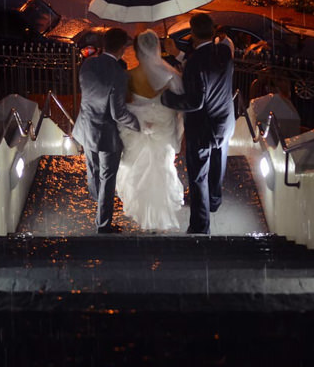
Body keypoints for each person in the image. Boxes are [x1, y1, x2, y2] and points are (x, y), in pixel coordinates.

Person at [161, 12, 236, 235]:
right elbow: (207, 68)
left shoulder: (195, 64)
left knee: (198, 176)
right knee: (218, 163)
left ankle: (200, 227)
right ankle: (214, 200)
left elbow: (194, 102)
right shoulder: (224, 51)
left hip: (203, 128)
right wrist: (180, 55)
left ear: (192, 34)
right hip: (225, 122)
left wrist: (167, 98)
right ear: (212, 31)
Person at [116, 30, 185, 232]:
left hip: (137, 130)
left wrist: (143, 114)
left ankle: (142, 213)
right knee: (162, 167)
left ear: (137, 51)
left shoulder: (129, 76)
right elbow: (178, 106)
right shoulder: (170, 75)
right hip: (163, 130)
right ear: (156, 48)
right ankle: (159, 216)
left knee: (137, 170)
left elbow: (125, 104)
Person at [74, 27, 141, 233]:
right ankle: (103, 224)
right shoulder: (118, 74)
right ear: (122, 48)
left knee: (93, 169)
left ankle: (96, 197)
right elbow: (118, 114)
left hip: (86, 127)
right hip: (106, 134)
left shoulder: (88, 64)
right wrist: (139, 125)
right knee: (107, 177)